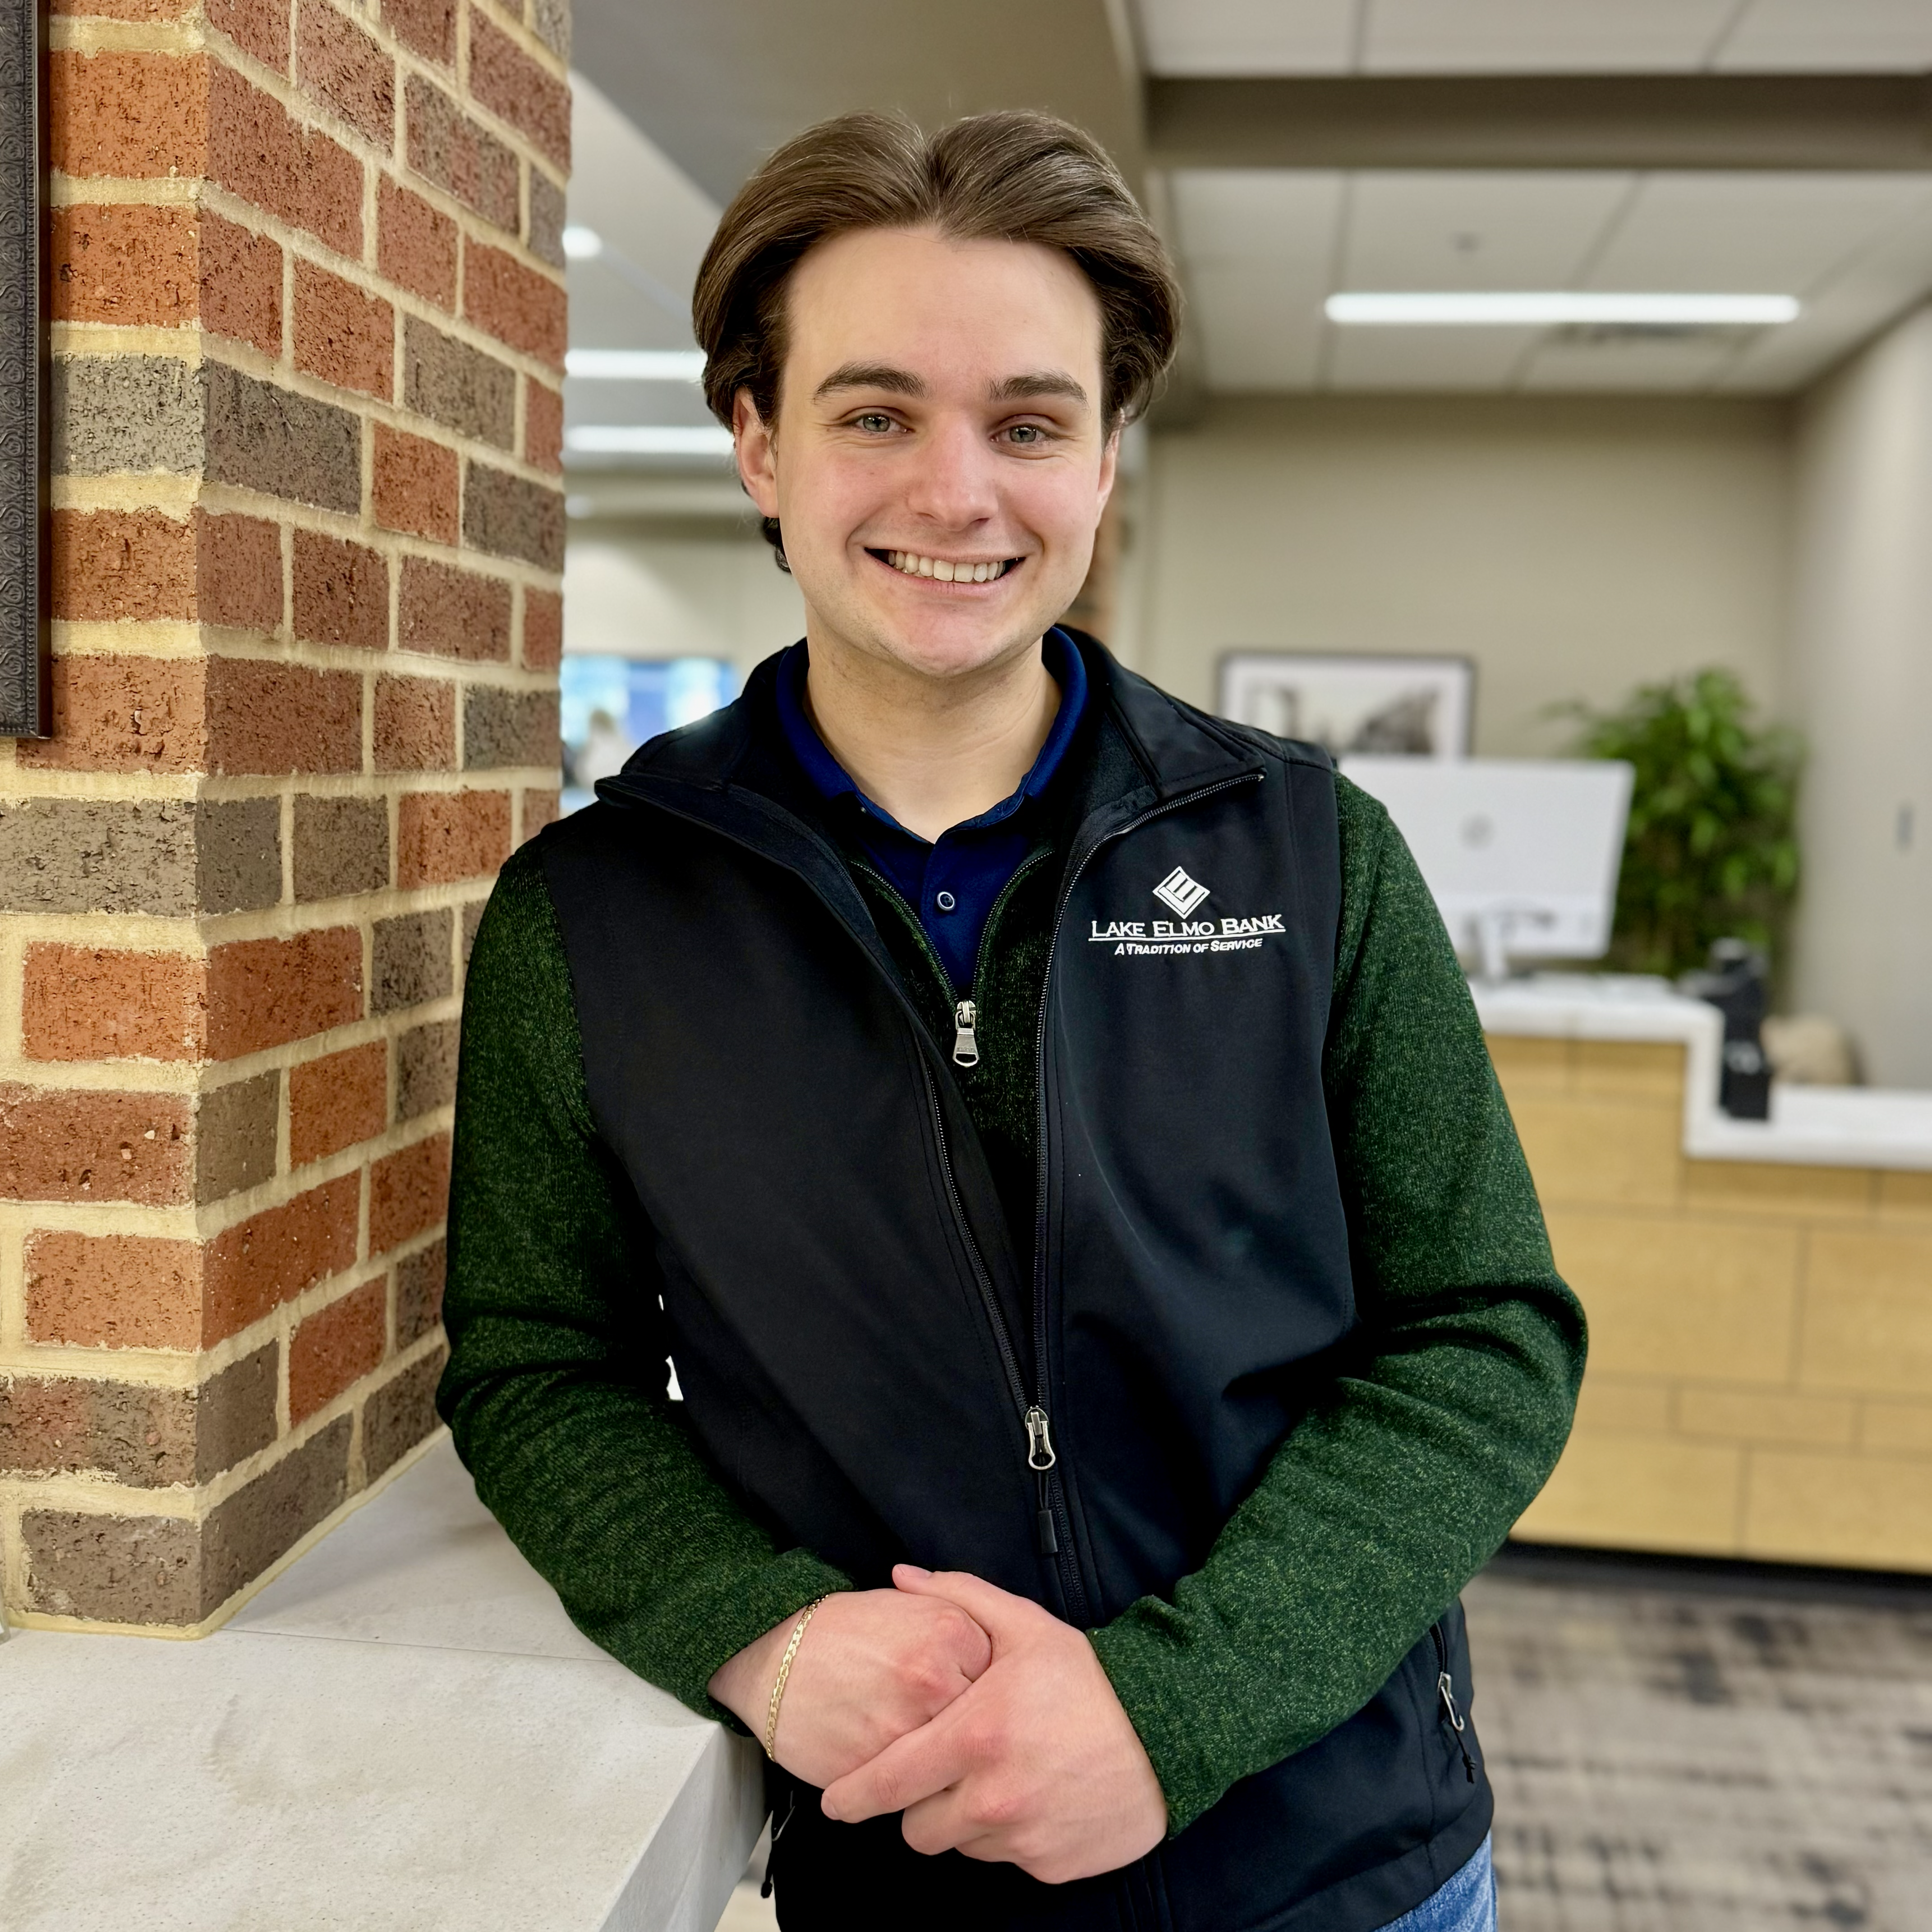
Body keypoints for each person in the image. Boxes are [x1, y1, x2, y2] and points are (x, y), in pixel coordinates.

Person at [439, 109, 1584, 1932]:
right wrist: (754, 1630)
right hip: (902, 1866)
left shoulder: (1310, 852)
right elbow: (533, 1367)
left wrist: (1171, 1707)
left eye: (1030, 423)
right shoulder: (593, 919)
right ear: (759, 441)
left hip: (1338, 1866)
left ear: (1107, 458)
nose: (957, 492)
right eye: (877, 413)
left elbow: (1482, 1334)